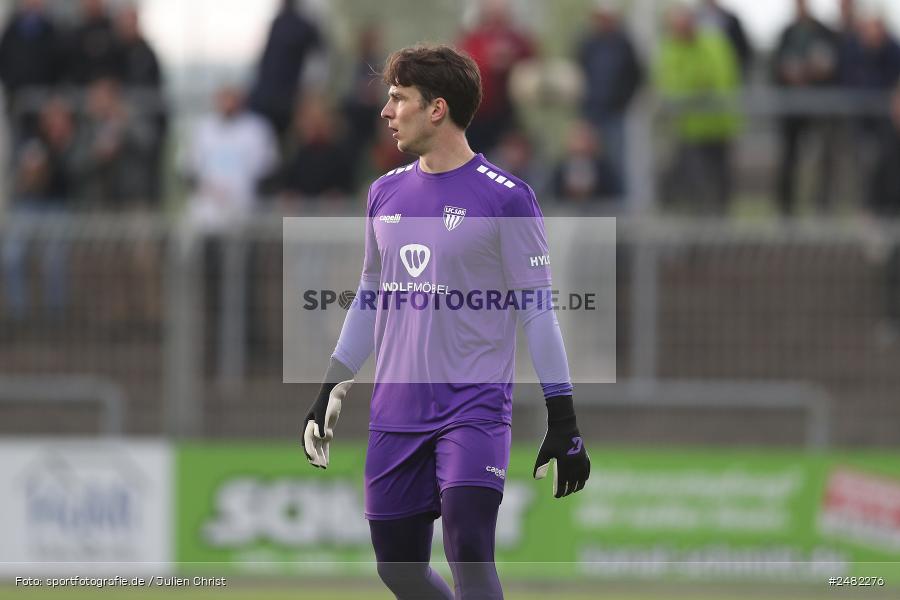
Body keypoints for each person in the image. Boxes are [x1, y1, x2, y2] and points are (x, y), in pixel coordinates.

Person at [301, 44, 591, 599]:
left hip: (473, 409)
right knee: (398, 569)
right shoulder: (383, 192)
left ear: (436, 109)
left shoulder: (508, 199)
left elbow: (538, 310)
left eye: (398, 99)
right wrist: (332, 384)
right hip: (396, 412)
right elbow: (370, 295)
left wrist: (564, 417)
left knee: (469, 547)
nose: (386, 111)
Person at [655, 4, 741, 214]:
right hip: (691, 129)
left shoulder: (714, 42)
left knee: (723, 180)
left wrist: (699, 87)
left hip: (720, 124)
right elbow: (670, 86)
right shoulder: (669, 49)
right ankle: (701, 222)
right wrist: (697, 86)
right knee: (696, 181)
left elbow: (725, 77)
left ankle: (722, 223)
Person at [772, 0, 840, 215]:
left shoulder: (825, 33)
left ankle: (822, 206)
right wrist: (788, 74)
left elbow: (834, 66)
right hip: (792, 109)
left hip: (819, 109)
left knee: (824, 158)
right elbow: (775, 67)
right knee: (789, 159)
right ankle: (787, 209)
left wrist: (816, 71)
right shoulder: (787, 33)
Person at [575, 2, 643, 189]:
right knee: (585, 161)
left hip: (614, 112)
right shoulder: (587, 44)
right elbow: (577, 75)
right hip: (590, 111)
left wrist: (623, 101)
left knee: (615, 158)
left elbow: (636, 76)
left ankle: (619, 199)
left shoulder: (624, 44)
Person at [458, 0, 535, 154]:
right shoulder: (474, 38)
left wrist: (511, 61)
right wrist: (490, 62)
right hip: (477, 111)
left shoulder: (517, 39)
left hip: (506, 110)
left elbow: (531, 64)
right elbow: (463, 66)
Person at [247, 0, 325, 141]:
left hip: (281, 98)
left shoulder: (300, 25)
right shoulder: (282, 23)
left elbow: (320, 56)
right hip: (273, 97)